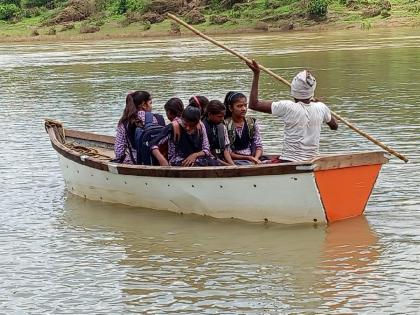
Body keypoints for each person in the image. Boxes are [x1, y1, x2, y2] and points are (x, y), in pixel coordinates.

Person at [246, 59, 338, 163]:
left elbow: (253, 104)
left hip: (289, 161)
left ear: (293, 90)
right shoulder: (321, 107)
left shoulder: (287, 107)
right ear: (311, 92)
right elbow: (334, 126)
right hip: (312, 160)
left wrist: (256, 74)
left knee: (262, 162)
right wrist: (322, 106)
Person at [151, 104, 218, 167]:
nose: (188, 128)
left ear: (197, 122)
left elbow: (206, 149)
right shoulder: (173, 127)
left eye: (192, 126)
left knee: (213, 162)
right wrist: (162, 160)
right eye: (185, 124)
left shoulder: (200, 126)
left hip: (197, 159)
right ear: (182, 119)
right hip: (177, 160)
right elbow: (153, 144)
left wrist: (194, 155)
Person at [114, 91, 164, 164]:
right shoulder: (157, 118)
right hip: (157, 161)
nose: (151, 106)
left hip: (134, 162)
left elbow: (119, 152)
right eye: (150, 103)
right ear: (144, 105)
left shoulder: (124, 123)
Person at [224, 91, 264, 165]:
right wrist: (247, 158)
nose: (244, 109)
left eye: (245, 105)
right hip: (234, 160)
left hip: (252, 158)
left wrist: (256, 158)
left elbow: (259, 146)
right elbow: (227, 151)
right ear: (230, 108)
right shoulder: (225, 125)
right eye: (239, 106)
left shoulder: (252, 122)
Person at [202, 100, 235, 166]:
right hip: (208, 160)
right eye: (219, 116)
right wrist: (226, 165)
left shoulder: (222, 127)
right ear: (209, 114)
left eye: (223, 116)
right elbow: (207, 152)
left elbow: (226, 150)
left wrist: (232, 165)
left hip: (221, 158)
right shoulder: (202, 127)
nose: (222, 119)